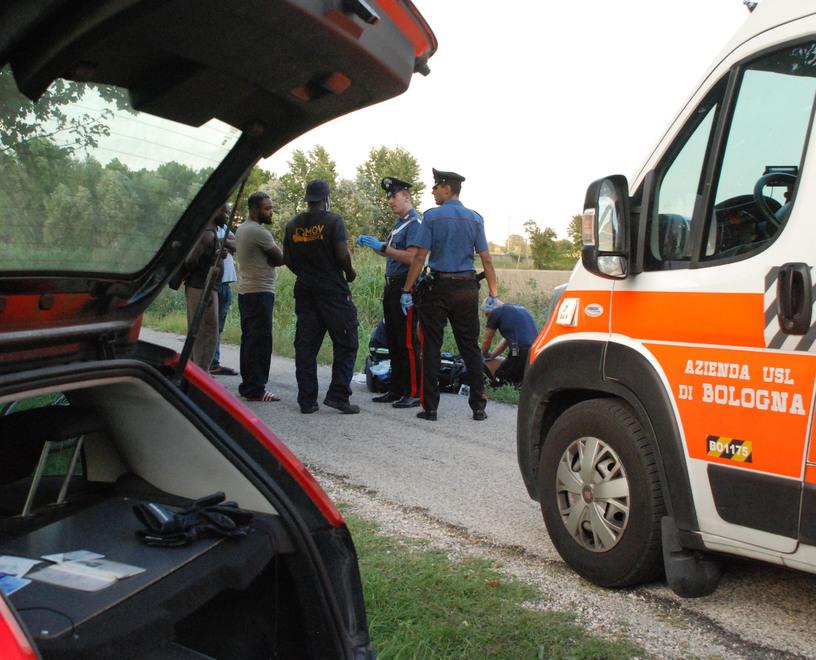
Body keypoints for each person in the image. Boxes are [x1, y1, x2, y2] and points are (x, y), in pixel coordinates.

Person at [400, 168, 498, 421]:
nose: (432, 192)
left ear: (446, 189)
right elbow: (486, 259)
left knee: (431, 345)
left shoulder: (432, 217)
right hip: (467, 288)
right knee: (470, 347)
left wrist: (407, 289)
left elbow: (420, 257)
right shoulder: (475, 218)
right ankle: (478, 407)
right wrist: (494, 293)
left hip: (439, 289)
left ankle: (430, 408)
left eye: (435, 187)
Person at [283, 179, 360, 414]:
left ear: (308, 199)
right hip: (333, 291)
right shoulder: (333, 221)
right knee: (347, 342)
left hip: (305, 290)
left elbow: (288, 259)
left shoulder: (293, 224)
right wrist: (349, 271)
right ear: (326, 198)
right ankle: (338, 395)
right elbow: (341, 252)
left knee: (306, 346)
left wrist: (306, 274)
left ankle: (307, 401)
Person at [356, 177, 423, 408]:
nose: (390, 201)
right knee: (393, 340)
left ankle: (413, 392)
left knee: (407, 342)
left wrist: (383, 247)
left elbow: (413, 257)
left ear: (407, 196)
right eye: (388, 198)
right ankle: (396, 388)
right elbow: (392, 252)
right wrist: (375, 246)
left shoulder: (415, 223)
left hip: (406, 285)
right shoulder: (399, 224)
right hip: (392, 285)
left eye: (394, 196)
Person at [235, 191, 284, 402]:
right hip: (260, 291)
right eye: (267, 208)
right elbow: (280, 258)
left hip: (246, 291)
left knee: (249, 340)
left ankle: (249, 385)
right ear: (255, 209)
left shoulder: (242, 229)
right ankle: (256, 388)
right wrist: (273, 260)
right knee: (260, 342)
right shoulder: (258, 232)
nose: (271, 212)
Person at [183, 204, 235, 371]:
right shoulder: (207, 234)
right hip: (202, 289)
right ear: (213, 212)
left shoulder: (211, 233)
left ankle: (195, 373)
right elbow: (190, 261)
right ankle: (200, 374)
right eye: (223, 211)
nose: (226, 215)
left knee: (204, 332)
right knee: (205, 334)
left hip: (205, 288)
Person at [480, 297, 538, 386]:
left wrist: (481, 355)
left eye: (487, 314)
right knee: (517, 377)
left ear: (492, 307)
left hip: (518, 348)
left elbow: (486, 340)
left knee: (500, 375)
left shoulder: (496, 312)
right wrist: (492, 356)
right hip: (536, 349)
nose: (488, 317)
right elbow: (505, 342)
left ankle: (498, 388)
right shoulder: (519, 309)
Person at [209, 216, 238, 376]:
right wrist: (223, 242)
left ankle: (213, 362)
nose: (226, 215)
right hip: (213, 284)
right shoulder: (207, 228)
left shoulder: (222, 227)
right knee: (208, 326)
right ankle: (205, 363)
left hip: (225, 283)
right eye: (223, 211)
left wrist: (221, 242)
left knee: (217, 327)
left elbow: (237, 244)